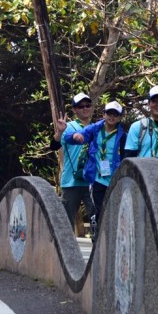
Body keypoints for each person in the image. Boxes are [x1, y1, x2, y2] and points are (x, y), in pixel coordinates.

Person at [64, 100, 127, 240]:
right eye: (109, 113)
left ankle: (108, 238)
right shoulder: (95, 129)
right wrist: (75, 136)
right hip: (97, 179)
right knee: (97, 210)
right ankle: (97, 239)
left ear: (120, 117)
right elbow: (69, 138)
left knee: (112, 209)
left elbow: (126, 157)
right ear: (103, 114)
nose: (112, 117)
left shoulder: (123, 136)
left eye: (115, 114)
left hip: (114, 180)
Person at [53, 93, 98, 237]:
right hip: (71, 181)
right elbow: (54, 145)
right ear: (74, 109)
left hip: (92, 181)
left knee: (96, 217)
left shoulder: (96, 128)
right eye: (80, 106)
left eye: (87, 105)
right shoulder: (68, 126)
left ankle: (97, 251)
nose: (85, 108)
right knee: (66, 221)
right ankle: (62, 254)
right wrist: (59, 132)